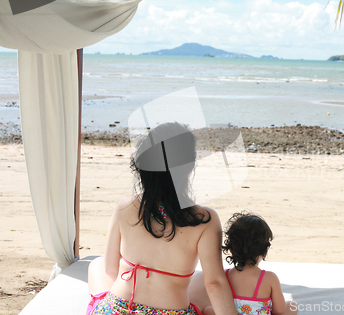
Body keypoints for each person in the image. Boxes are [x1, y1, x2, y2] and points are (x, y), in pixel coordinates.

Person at [87, 122, 238, 315]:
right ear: (189, 167)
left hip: (119, 309)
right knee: (211, 279)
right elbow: (214, 284)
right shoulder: (204, 220)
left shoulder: (125, 206)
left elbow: (110, 270)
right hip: (171, 311)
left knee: (97, 265)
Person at [202, 212, 298, 315]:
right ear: (264, 251)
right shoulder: (269, 278)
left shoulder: (224, 277)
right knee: (292, 306)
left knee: (207, 310)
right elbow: (279, 310)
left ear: (231, 250)